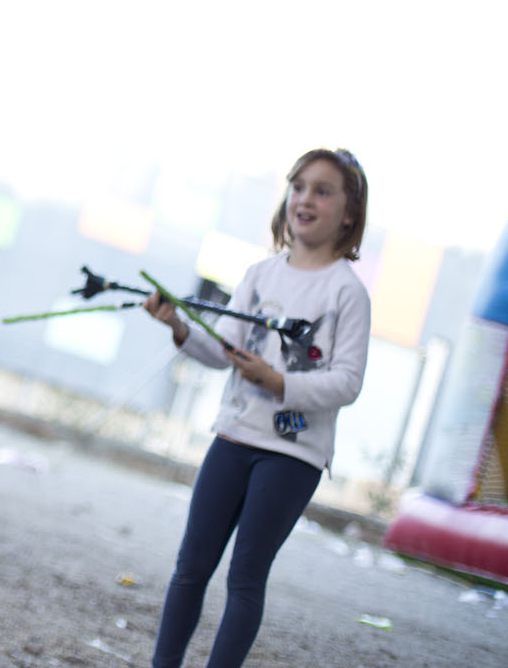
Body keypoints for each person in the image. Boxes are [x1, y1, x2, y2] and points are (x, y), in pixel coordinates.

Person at [143, 148, 371, 668]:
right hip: (233, 438)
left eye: (322, 190)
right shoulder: (259, 274)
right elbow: (221, 352)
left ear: (349, 212)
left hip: (293, 456)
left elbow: (348, 382)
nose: (305, 199)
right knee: (190, 567)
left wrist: (278, 380)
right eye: (298, 187)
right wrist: (179, 325)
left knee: (245, 578)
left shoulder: (347, 291)